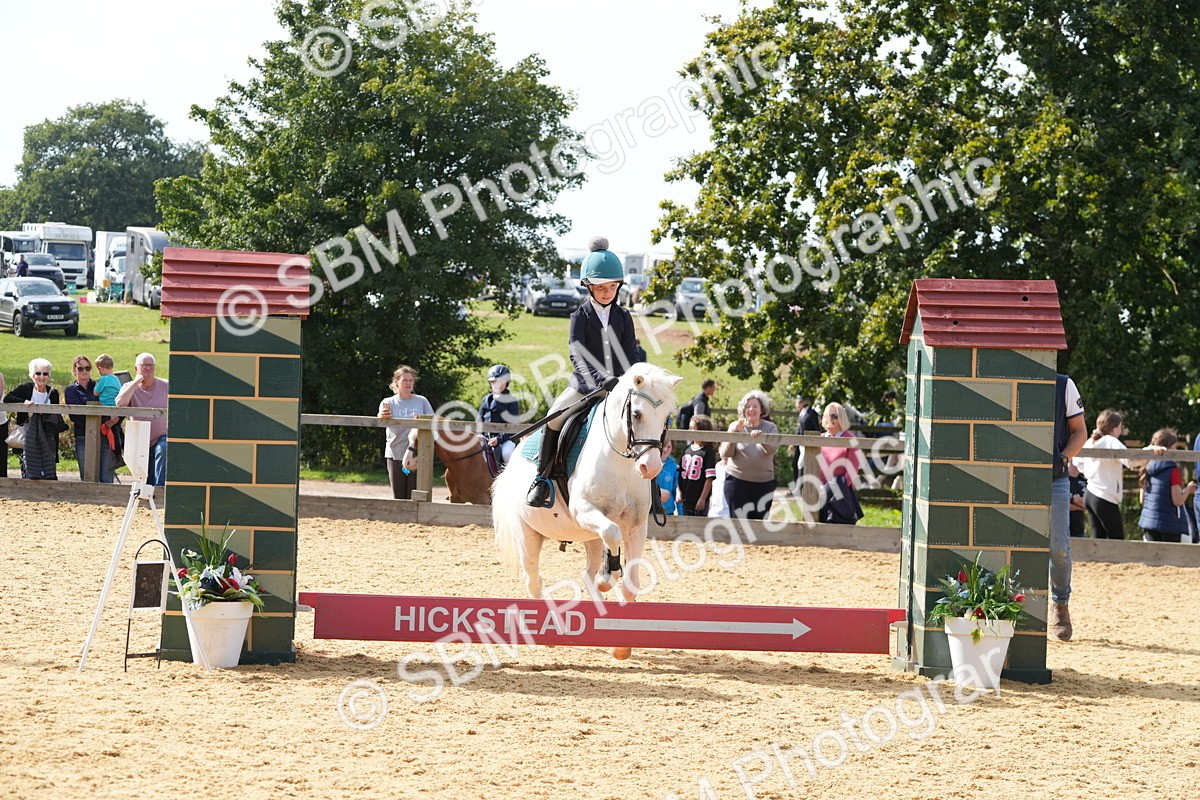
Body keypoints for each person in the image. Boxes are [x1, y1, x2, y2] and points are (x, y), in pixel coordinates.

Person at [527, 236, 638, 506]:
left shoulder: (624, 317)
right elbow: (578, 356)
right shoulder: (579, 317)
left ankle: (649, 488)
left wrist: (624, 382)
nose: (607, 292)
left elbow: (630, 355)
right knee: (554, 417)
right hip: (584, 387)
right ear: (588, 286)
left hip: (619, 387)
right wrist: (602, 380)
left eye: (612, 287)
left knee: (646, 421)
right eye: (601, 287)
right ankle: (542, 479)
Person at [1073, 409, 1157, 540]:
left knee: (1098, 539)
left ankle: (1098, 560)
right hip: (1104, 496)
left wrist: (1091, 473)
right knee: (1117, 539)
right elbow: (1129, 460)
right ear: (1114, 428)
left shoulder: (1090, 441)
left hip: (1091, 494)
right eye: (1120, 427)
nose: (1121, 431)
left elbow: (1077, 461)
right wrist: (1150, 451)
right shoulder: (1110, 441)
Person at [1049, 373, 1087, 641]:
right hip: (1014, 475)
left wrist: (1063, 457)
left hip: (1055, 478)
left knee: (1059, 547)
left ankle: (1060, 604)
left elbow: (1080, 431)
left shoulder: (1064, 384)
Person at [3, 358, 68, 480]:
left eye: (45, 373)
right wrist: (24, 402)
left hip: (47, 435)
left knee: (47, 465)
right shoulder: (26, 388)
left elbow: (56, 415)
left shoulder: (53, 393)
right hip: (28, 434)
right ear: (32, 375)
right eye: (38, 373)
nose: (41, 377)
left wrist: (44, 414)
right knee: (28, 465)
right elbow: (8, 398)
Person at [719, 390, 779, 519]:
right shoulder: (735, 426)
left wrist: (761, 439)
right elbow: (725, 453)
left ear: (761, 410)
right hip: (737, 482)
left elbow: (772, 450)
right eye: (747, 406)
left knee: (759, 525)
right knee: (738, 524)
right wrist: (733, 436)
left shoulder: (770, 427)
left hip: (764, 483)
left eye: (755, 406)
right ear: (743, 410)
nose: (751, 409)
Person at [377, 365, 434, 500]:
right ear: (396, 382)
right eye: (404, 380)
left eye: (410, 380)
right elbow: (380, 419)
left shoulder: (422, 401)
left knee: (414, 494)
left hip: (416, 455)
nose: (408, 383)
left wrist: (421, 421)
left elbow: (433, 421)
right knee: (399, 495)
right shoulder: (388, 402)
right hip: (395, 453)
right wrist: (382, 416)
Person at [116, 353, 170, 487]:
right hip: (139, 439)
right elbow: (120, 403)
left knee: (163, 448)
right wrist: (136, 382)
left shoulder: (165, 385)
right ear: (136, 368)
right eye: (144, 365)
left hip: (160, 436)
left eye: (150, 365)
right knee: (146, 479)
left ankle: (160, 489)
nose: (148, 368)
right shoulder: (129, 387)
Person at [1137, 429, 1197, 543]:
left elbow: (1142, 500)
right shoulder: (1172, 470)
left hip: (1149, 522)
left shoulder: (1146, 467)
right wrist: (1188, 489)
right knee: (1170, 559)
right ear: (1169, 448)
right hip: (1170, 524)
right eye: (1174, 448)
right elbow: (1177, 501)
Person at [64, 355, 116, 484]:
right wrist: (101, 415)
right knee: (87, 476)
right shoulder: (71, 390)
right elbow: (75, 416)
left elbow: (114, 401)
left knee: (106, 477)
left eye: (87, 367)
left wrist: (112, 419)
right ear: (74, 370)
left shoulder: (101, 384)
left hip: (105, 433)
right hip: (83, 435)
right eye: (80, 368)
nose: (84, 371)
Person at [817, 402, 865, 524]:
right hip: (820, 490)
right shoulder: (819, 438)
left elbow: (852, 471)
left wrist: (834, 490)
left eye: (834, 416)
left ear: (841, 418)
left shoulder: (851, 439)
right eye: (828, 415)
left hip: (840, 494)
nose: (830, 419)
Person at [479, 364, 520, 465]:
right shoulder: (486, 399)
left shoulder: (511, 401)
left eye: (499, 382)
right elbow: (479, 420)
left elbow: (512, 426)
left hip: (505, 439)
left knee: (507, 453)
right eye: (493, 382)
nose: (496, 384)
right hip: (485, 437)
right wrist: (479, 435)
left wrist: (499, 439)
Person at [679, 414, 717, 516]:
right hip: (685, 499)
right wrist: (679, 492)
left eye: (692, 428)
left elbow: (709, 478)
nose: (689, 430)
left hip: (699, 500)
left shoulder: (708, 452)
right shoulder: (686, 449)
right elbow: (680, 472)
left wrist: (703, 498)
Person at [788, 394, 822, 487]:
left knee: (801, 464)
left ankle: (801, 487)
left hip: (809, 443)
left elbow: (816, 428)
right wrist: (794, 442)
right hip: (801, 443)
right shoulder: (802, 413)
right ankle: (798, 486)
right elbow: (799, 429)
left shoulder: (812, 413)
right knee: (796, 463)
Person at [656, 439, 680, 516]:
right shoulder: (651, 465)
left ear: (672, 448)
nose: (665, 449)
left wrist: (680, 513)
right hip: (651, 509)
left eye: (669, 446)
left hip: (668, 511)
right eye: (663, 446)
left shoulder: (675, 467)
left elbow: (677, 491)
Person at [1068, 463, 1087, 537]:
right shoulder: (1062, 479)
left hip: (1079, 532)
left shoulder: (1084, 480)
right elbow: (1058, 504)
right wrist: (1079, 504)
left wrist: (1071, 499)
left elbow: (1089, 505)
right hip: (1062, 530)